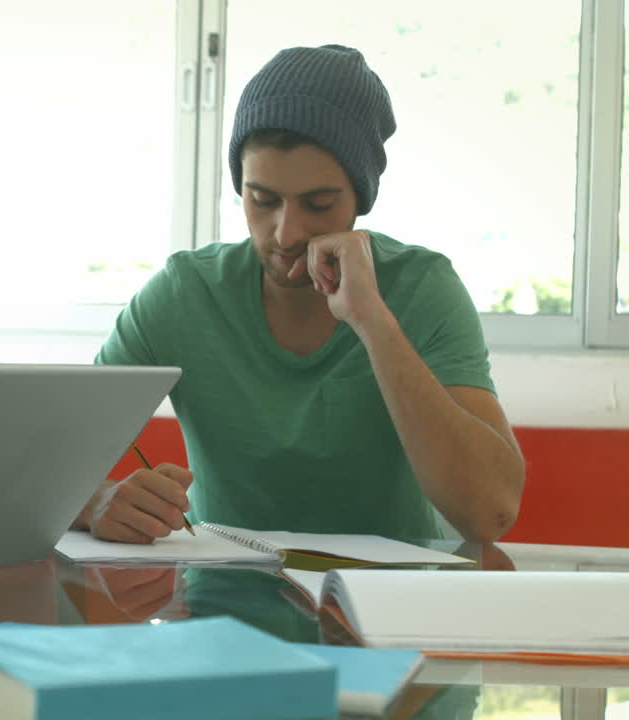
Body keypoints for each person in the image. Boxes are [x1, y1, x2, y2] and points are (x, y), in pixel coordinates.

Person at [76, 44, 524, 544]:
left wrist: (373, 321)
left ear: (360, 198)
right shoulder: (186, 292)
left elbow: (491, 514)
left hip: (393, 590)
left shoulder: (423, 288)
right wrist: (95, 501)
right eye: (262, 199)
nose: (286, 233)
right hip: (221, 586)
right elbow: (46, 456)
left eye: (319, 204)